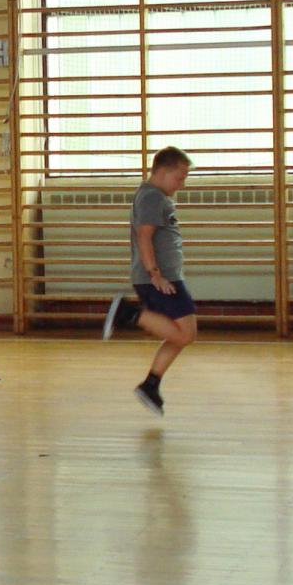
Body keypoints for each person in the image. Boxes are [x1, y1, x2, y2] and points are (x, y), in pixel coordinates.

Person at [102, 146, 196, 417]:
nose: (182, 183)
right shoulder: (152, 197)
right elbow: (144, 236)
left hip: (165, 277)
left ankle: (151, 385)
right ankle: (128, 313)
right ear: (163, 171)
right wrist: (155, 274)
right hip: (158, 279)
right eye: (180, 177)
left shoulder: (155, 197)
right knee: (185, 333)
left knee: (185, 333)